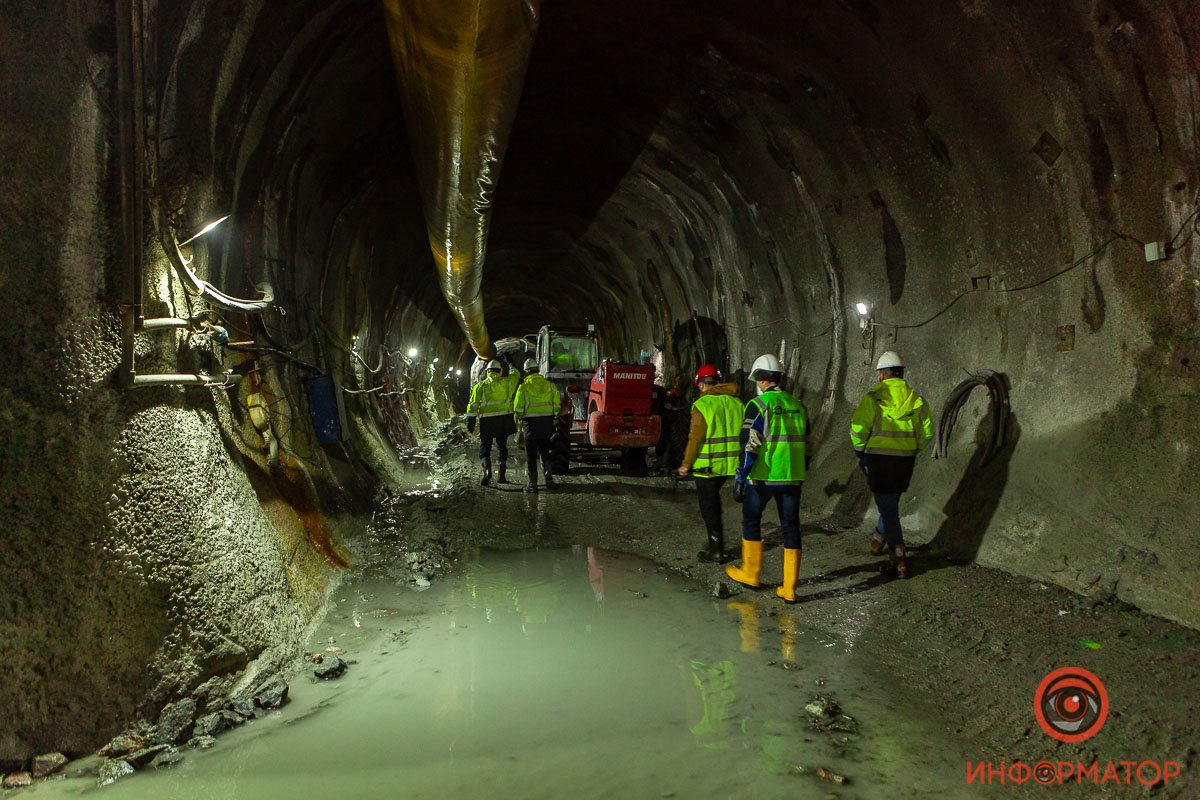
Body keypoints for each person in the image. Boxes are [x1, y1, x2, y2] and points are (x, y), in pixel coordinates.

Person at [724, 354, 809, 603]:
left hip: (763, 477)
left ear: (761, 381)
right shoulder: (798, 406)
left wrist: (741, 476)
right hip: (792, 477)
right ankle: (790, 588)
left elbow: (750, 443)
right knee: (791, 527)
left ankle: (751, 573)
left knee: (752, 519)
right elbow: (809, 444)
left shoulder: (758, 405)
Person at [850, 351, 934, 579]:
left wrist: (860, 452)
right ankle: (878, 538)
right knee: (890, 505)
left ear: (882, 375)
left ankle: (899, 560)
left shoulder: (874, 398)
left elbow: (858, 429)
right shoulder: (916, 399)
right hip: (904, 462)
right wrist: (912, 449)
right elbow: (928, 433)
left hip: (878, 460)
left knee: (889, 510)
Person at [677, 364, 743, 563]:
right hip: (730, 465)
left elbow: (695, 438)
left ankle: (716, 551)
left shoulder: (702, 405)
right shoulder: (737, 403)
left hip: (708, 467)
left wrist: (686, 464)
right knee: (716, 506)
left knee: (710, 508)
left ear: (700, 385)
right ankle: (721, 548)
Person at [513, 358, 561, 492]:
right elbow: (557, 406)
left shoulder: (523, 387)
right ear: (538, 370)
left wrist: (520, 417)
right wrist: (552, 414)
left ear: (526, 372)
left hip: (530, 426)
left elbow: (517, 409)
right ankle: (549, 481)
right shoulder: (550, 385)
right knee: (545, 454)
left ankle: (532, 484)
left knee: (531, 455)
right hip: (546, 424)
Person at [466, 360, 515, 485]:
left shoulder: (480, 386)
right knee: (502, 447)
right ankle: (501, 476)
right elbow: (517, 375)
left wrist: (470, 422)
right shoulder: (508, 383)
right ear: (501, 371)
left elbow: (473, 406)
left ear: (487, 371)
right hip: (504, 420)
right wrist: (511, 364)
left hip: (487, 421)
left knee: (485, 448)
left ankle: (487, 472)